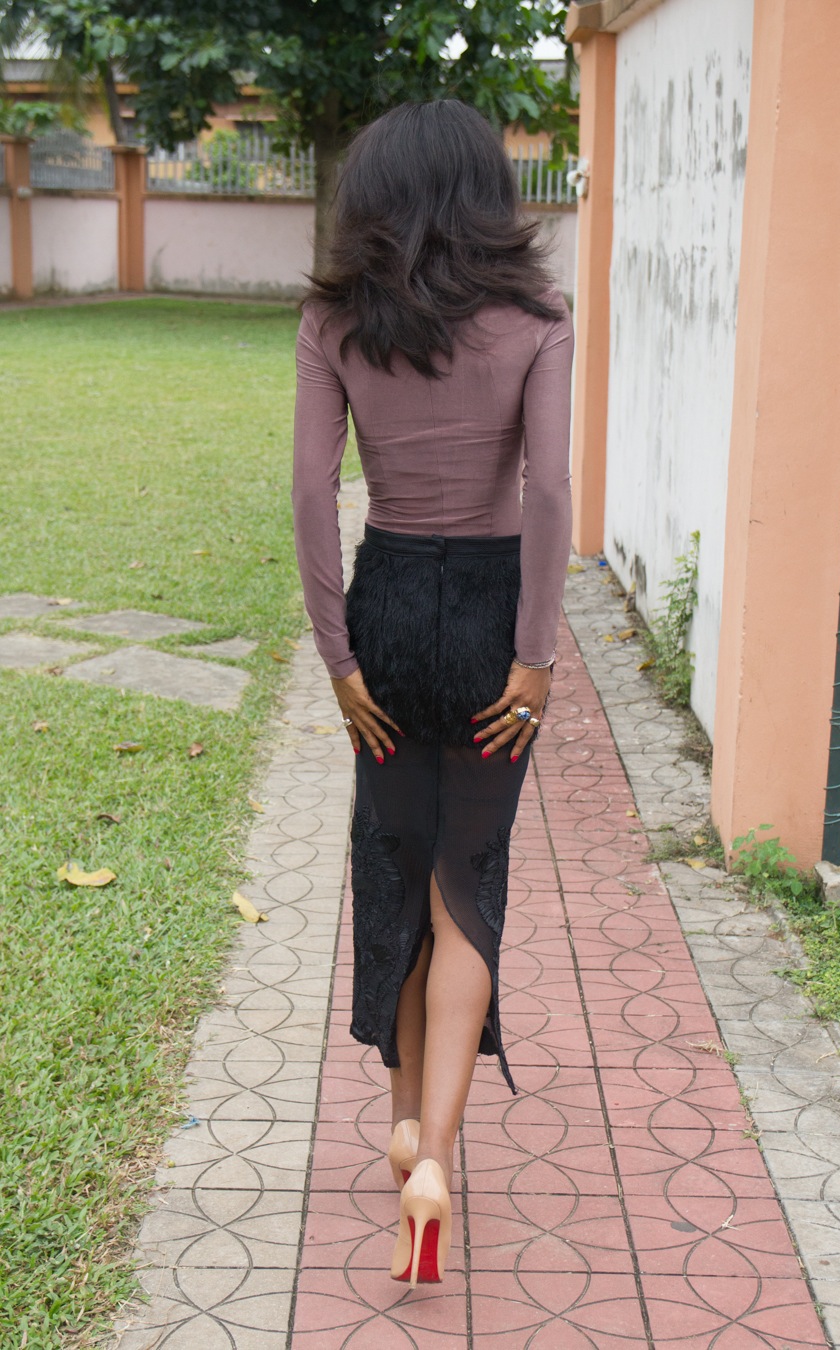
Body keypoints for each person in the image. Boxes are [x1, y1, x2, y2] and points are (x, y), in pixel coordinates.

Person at [292, 98, 574, 1288]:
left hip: (391, 603)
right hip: (496, 611)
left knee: (397, 862)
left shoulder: (334, 319)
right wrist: (536, 654)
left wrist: (338, 658)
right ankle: (436, 1160)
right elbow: (549, 490)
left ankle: (405, 1122)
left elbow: (312, 491)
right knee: (468, 888)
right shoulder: (538, 318)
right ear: (485, 192)